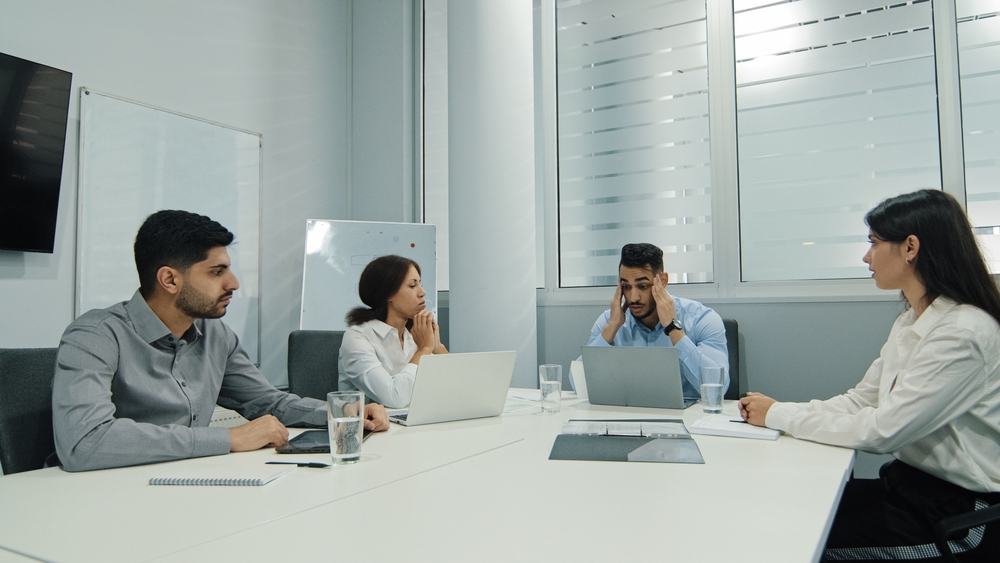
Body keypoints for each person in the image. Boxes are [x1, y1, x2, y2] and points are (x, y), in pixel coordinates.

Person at [739, 190, 1000, 561]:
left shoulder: (962, 334)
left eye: (874, 243)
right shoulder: (914, 319)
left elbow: (882, 430)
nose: (866, 256)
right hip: (908, 488)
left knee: (797, 544)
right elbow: (861, 400)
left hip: (958, 515)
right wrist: (780, 409)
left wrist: (780, 415)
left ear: (910, 247)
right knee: (782, 508)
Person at [52, 210, 389, 472]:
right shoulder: (96, 335)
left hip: (186, 484)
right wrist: (228, 438)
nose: (234, 283)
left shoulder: (215, 335)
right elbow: (86, 441)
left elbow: (268, 403)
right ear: (169, 279)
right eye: (217, 272)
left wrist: (344, 412)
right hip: (104, 497)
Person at [587, 243, 729, 399]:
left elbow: (718, 390)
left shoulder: (701, 319)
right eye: (626, 286)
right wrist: (611, 328)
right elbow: (578, 384)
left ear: (662, 281)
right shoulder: (610, 321)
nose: (633, 297)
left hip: (687, 418)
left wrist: (673, 327)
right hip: (627, 416)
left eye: (642, 286)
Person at [339, 255, 448, 408]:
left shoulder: (414, 335)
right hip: (374, 428)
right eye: (412, 286)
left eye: (420, 284)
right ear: (388, 293)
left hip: (418, 423)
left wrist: (437, 347)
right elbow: (395, 398)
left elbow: (459, 388)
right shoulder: (357, 338)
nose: (422, 292)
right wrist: (424, 349)